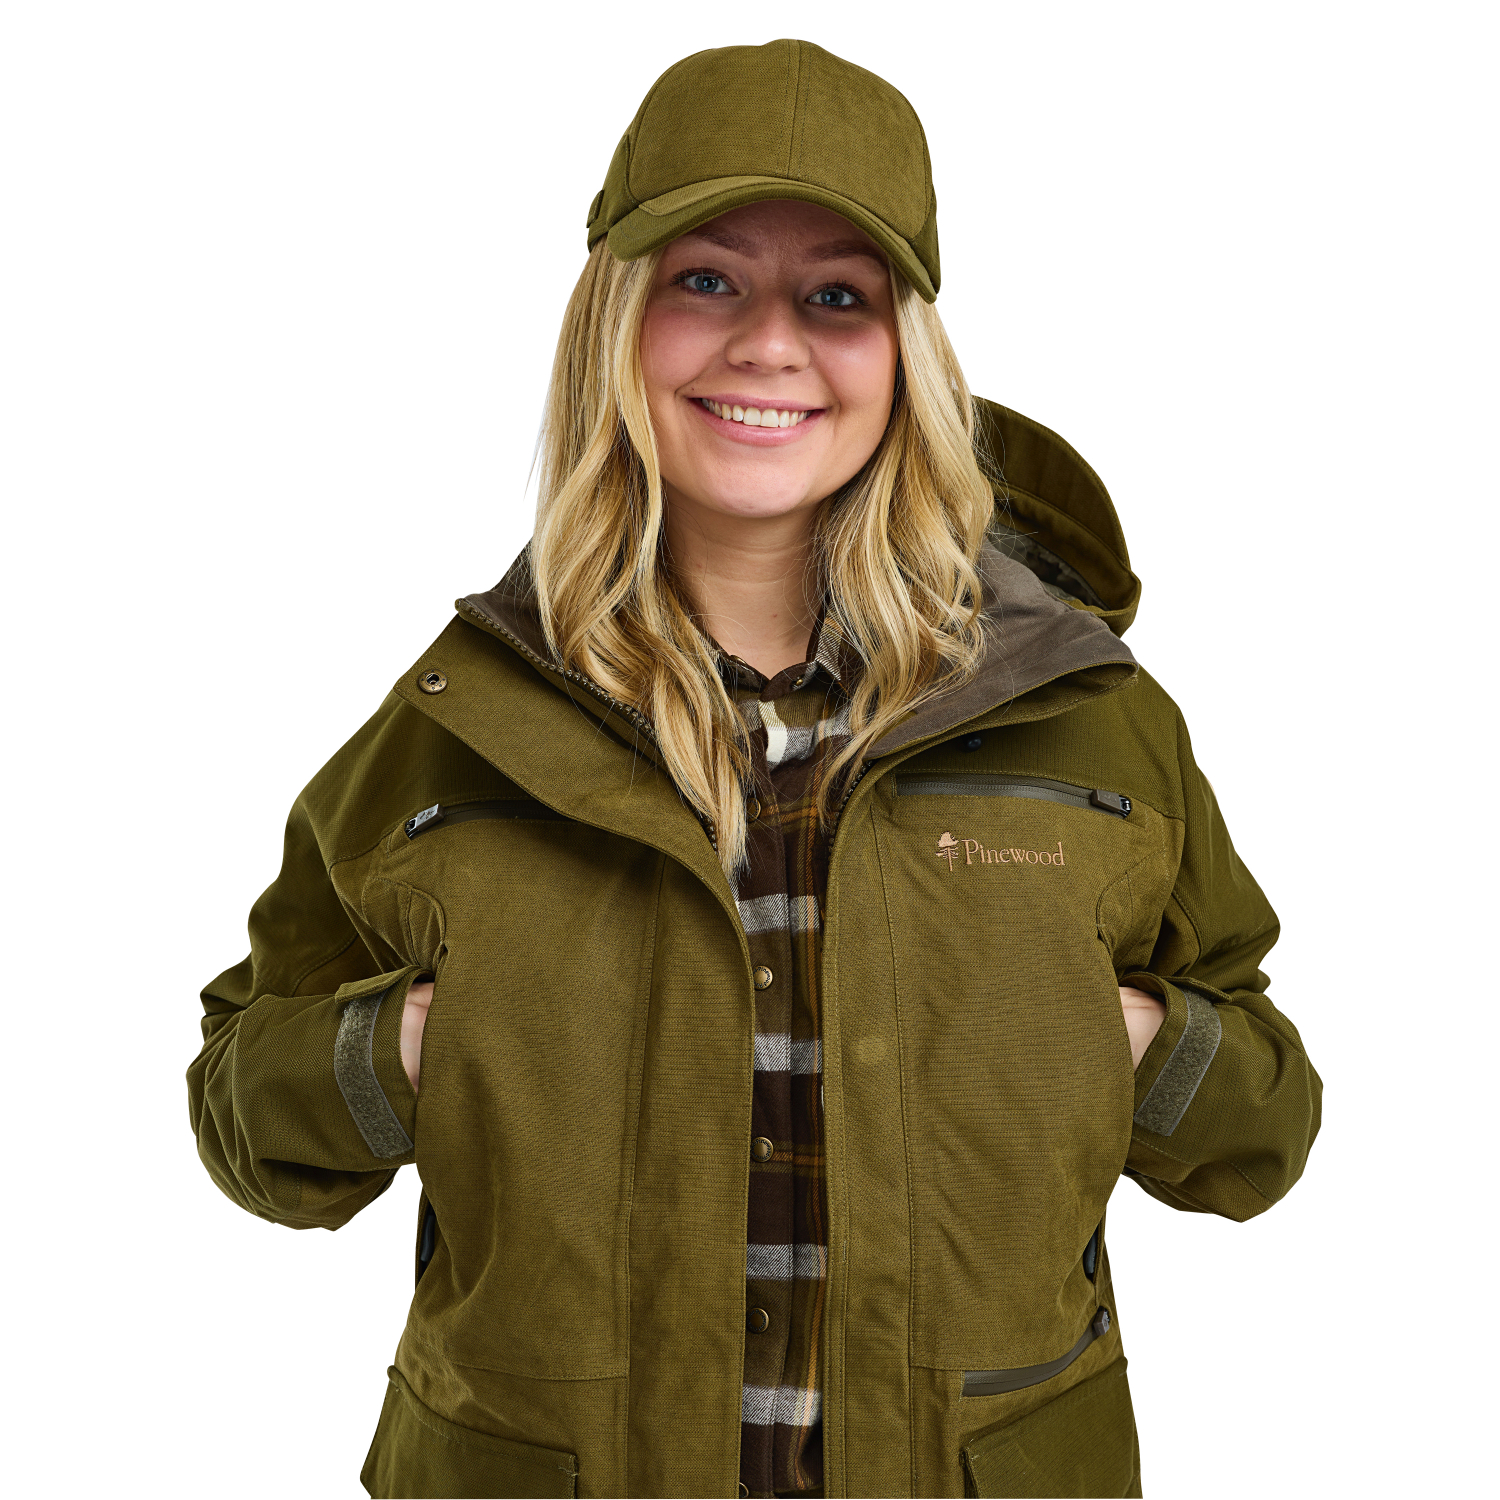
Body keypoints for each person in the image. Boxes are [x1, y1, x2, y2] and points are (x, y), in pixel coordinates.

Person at [188, 39, 1322, 1500]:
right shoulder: (460, 724)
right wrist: (408, 1049)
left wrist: (1124, 1038)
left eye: (837, 296)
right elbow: (248, 1120)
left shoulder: (1087, 717)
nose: (769, 346)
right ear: (617, 325)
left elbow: (1261, 1132)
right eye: (707, 281)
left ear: (906, 351)